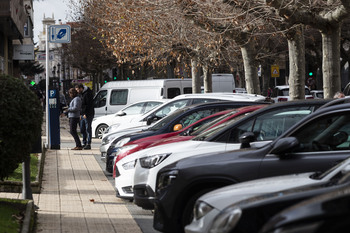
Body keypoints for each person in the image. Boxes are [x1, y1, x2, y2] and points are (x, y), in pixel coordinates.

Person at [75, 84, 95, 149]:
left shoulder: (88, 93)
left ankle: (88, 143)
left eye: (78, 90)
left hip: (88, 114)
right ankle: (84, 142)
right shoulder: (81, 94)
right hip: (82, 114)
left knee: (88, 128)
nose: (77, 91)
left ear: (81, 88)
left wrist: (85, 114)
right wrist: (80, 114)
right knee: (82, 129)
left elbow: (89, 105)